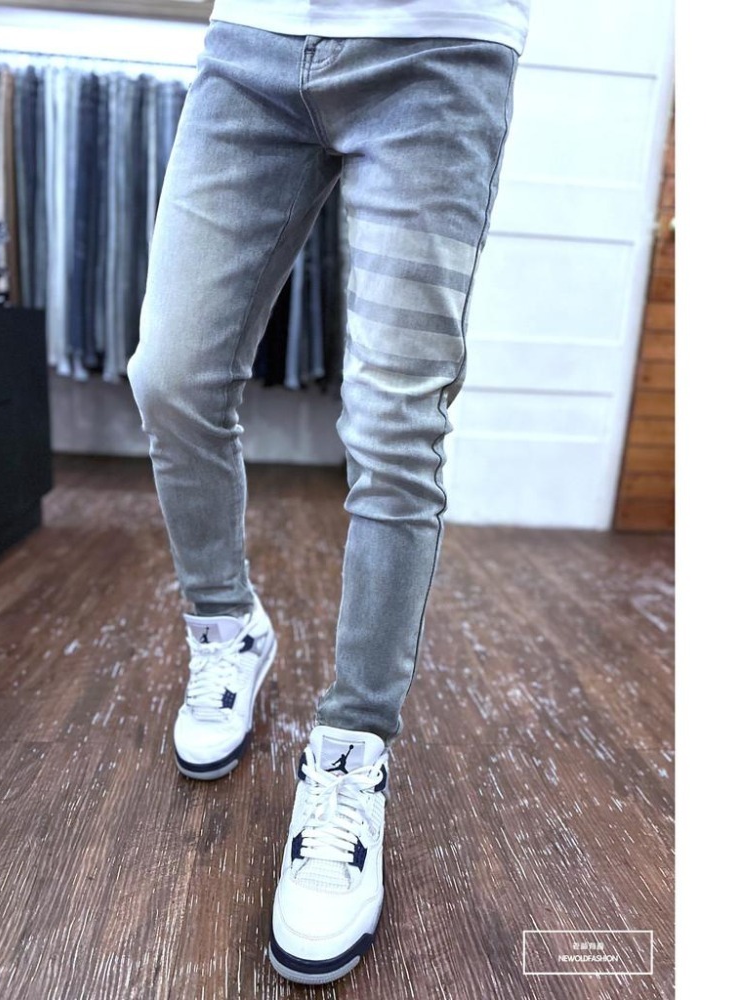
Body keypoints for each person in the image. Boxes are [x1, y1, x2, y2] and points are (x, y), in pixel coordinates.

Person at [127, 0, 530, 985]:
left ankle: (351, 751)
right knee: (170, 375)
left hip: (439, 46)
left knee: (394, 424)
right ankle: (227, 628)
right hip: (254, 45)